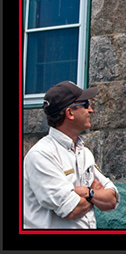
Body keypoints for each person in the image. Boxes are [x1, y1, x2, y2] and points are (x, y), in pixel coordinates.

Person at [24, 81, 119, 229]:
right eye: (86, 104)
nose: (91, 110)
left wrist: (87, 192)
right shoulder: (41, 155)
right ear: (69, 113)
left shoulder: (84, 152)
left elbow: (112, 199)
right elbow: (71, 209)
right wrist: (96, 196)